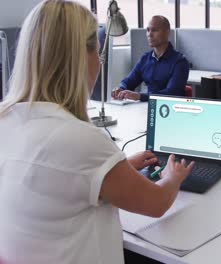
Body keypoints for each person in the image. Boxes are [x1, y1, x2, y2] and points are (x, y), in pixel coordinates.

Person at [0, 1, 194, 264]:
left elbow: (59, 179)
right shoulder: (79, 139)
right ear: (83, 56)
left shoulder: (6, 119)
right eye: (97, 52)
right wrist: (173, 176)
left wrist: (117, 167)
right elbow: (157, 203)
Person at [112, 15, 189, 102]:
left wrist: (140, 96)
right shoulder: (145, 59)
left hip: (169, 110)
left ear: (167, 33)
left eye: (155, 30)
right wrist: (120, 88)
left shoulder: (180, 62)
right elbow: (129, 80)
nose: (149, 34)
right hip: (146, 107)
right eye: (148, 30)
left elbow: (171, 93)